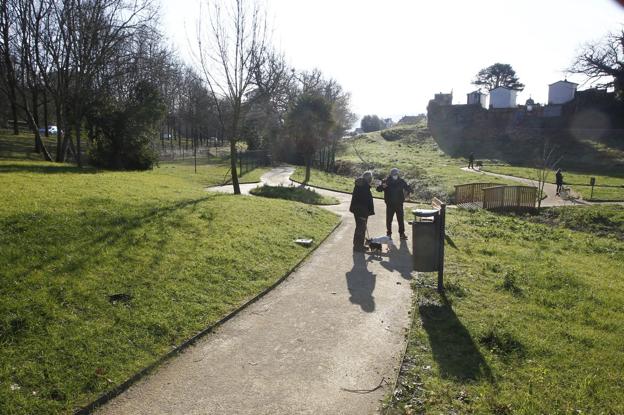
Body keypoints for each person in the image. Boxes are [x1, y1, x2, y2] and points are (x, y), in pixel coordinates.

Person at [376, 168, 411, 240]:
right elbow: (378, 189)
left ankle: (402, 233)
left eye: (396, 174)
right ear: (391, 174)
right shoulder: (386, 181)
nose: (395, 175)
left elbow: (408, 188)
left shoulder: (401, 181)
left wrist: (409, 190)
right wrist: (382, 186)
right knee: (389, 220)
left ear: (398, 174)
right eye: (394, 174)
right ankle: (388, 234)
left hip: (399, 203)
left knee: (400, 219)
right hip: (390, 204)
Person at [349, 171, 375, 252]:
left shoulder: (362, 184)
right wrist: (365, 211)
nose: (371, 179)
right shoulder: (364, 186)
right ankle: (358, 247)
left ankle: (358, 245)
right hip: (361, 211)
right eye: (371, 178)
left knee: (360, 228)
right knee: (361, 228)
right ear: (368, 178)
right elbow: (364, 200)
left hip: (359, 210)